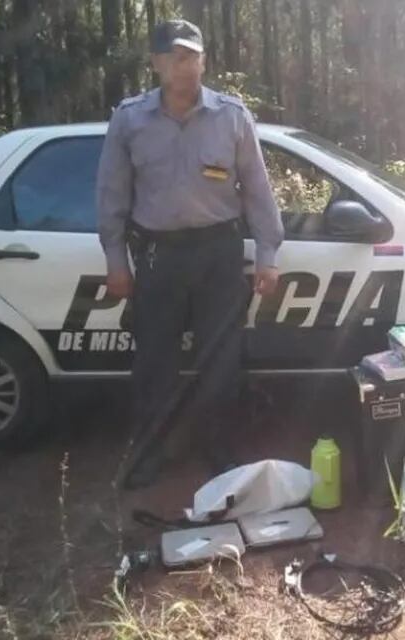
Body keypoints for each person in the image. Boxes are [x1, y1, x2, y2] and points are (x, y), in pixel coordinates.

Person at [96, 19, 284, 490]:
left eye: (194, 57)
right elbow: (111, 195)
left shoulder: (232, 117)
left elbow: (258, 191)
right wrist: (116, 261)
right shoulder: (130, 119)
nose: (188, 67)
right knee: (154, 362)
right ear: (158, 64)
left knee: (220, 360)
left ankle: (218, 451)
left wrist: (268, 253)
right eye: (177, 57)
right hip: (159, 256)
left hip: (219, 252)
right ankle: (151, 455)